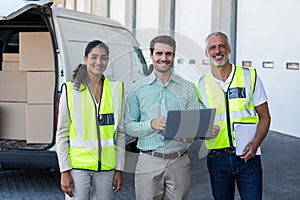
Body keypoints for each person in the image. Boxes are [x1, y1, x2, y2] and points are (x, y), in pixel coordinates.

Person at [125, 35, 219, 200]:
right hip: (148, 161)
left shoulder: (187, 88)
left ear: (174, 56)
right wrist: (151, 124)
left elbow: (194, 124)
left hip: (179, 162)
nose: (164, 58)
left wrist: (192, 135)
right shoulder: (137, 89)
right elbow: (129, 126)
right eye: (159, 53)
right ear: (152, 55)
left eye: (168, 54)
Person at [194, 32, 271, 200]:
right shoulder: (199, 85)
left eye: (222, 46)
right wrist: (202, 132)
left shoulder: (250, 76)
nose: (217, 51)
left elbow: (265, 117)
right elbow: (199, 127)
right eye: (212, 48)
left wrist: (256, 143)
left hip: (248, 158)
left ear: (229, 49)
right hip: (217, 158)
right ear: (207, 53)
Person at [56, 40, 125, 200]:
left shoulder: (117, 90)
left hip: (106, 169)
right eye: (94, 57)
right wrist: (64, 170)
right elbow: (62, 134)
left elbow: (120, 133)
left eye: (103, 58)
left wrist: (119, 169)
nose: (98, 62)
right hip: (78, 168)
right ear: (85, 58)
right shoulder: (70, 91)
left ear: (108, 60)